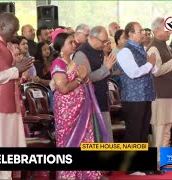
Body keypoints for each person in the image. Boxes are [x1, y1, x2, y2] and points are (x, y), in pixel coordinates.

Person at [0, 12, 34, 179]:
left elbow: (11, 73)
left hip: (10, 105)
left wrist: (20, 72)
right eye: (13, 30)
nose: (15, 34)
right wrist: (16, 70)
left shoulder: (7, 45)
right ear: (2, 26)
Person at [50, 32, 109, 180]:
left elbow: (85, 82)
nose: (74, 44)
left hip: (82, 109)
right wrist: (80, 78)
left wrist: (85, 80)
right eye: (70, 42)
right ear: (61, 47)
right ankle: (69, 175)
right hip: (67, 112)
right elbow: (63, 89)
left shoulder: (73, 63)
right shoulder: (58, 64)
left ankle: (87, 174)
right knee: (69, 141)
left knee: (85, 140)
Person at [117, 21, 157, 175]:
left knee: (142, 132)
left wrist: (155, 65)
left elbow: (152, 68)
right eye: (140, 31)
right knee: (133, 132)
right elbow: (133, 73)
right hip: (133, 98)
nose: (143, 34)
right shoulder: (125, 52)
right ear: (130, 34)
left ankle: (143, 165)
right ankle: (131, 167)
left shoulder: (142, 49)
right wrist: (150, 64)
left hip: (145, 95)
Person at [147, 17, 172, 171]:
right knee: (160, 128)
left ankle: (166, 160)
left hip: (171, 92)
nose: (170, 31)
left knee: (167, 128)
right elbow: (156, 71)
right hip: (160, 94)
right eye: (166, 29)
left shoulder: (164, 46)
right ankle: (156, 161)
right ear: (156, 31)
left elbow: (168, 68)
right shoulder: (153, 48)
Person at [73, 26, 116, 143]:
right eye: (103, 41)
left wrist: (108, 68)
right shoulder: (81, 54)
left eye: (107, 41)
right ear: (92, 38)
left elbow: (105, 71)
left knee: (106, 135)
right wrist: (106, 68)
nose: (105, 44)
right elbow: (86, 78)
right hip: (90, 102)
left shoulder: (99, 50)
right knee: (97, 136)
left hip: (102, 97)